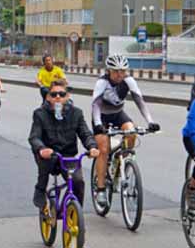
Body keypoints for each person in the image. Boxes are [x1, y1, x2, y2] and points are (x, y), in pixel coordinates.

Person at [91, 54, 161, 206]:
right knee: (103, 149)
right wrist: (97, 124)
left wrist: (150, 121)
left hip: (118, 114)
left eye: (123, 71)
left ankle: (121, 165)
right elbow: (95, 105)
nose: (119, 74)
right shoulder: (102, 82)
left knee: (132, 132)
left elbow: (140, 102)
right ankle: (101, 188)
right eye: (116, 71)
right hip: (101, 117)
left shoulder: (128, 81)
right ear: (109, 70)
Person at [28, 79, 100, 210]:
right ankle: (40, 188)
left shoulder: (76, 113)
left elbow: (85, 133)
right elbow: (34, 137)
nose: (57, 97)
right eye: (54, 94)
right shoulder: (40, 114)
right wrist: (42, 149)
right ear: (48, 97)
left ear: (67, 97)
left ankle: (74, 213)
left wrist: (92, 146)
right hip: (49, 155)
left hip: (68, 156)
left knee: (78, 183)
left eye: (61, 94)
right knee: (45, 165)